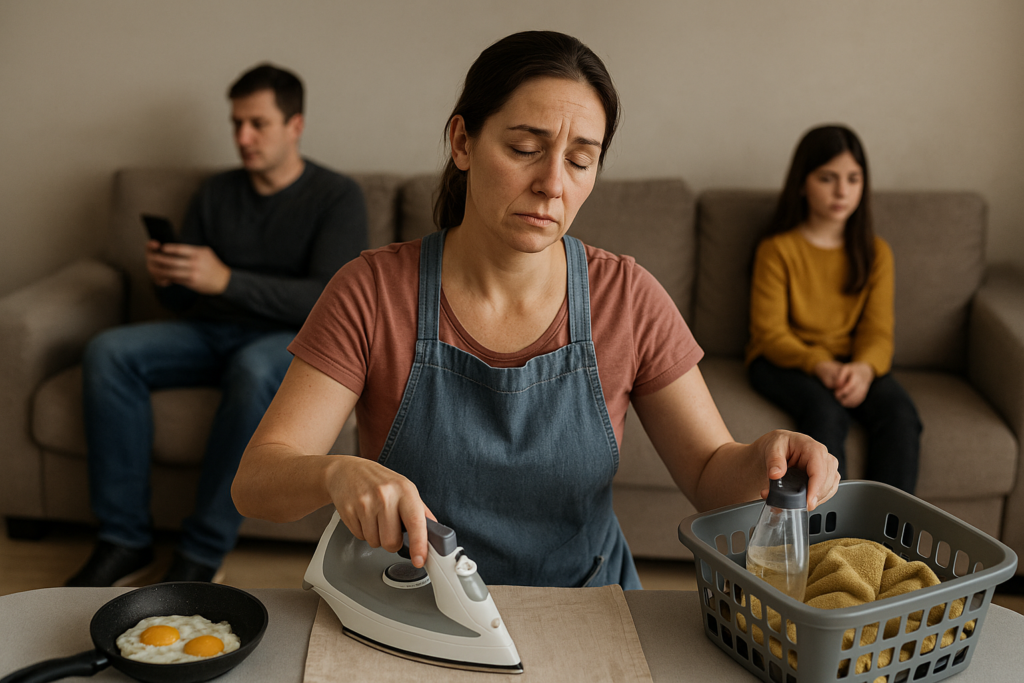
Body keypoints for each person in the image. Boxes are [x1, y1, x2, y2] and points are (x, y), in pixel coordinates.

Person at [231, 32, 840, 590]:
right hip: (414, 606)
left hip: (587, 605)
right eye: (525, 148)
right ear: (463, 142)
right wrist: (335, 473)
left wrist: (767, 459)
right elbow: (257, 482)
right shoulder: (371, 291)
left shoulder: (627, 299)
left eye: (580, 160)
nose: (553, 182)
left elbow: (710, 474)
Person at [66, 63, 369, 587]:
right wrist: (168, 277)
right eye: (236, 124)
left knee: (253, 368)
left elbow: (329, 297)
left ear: (294, 125)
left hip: (290, 340)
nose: (243, 137)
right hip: (209, 333)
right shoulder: (215, 193)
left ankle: (202, 551)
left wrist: (226, 280)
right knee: (108, 351)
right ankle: (124, 540)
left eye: (257, 123)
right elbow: (186, 299)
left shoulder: (337, 197)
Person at [746, 125, 921, 494]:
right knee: (825, 414)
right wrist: (819, 365)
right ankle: (825, 535)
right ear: (802, 183)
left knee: (901, 417)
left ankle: (886, 539)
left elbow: (877, 333)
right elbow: (770, 333)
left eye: (853, 179)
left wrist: (863, 368)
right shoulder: (777, 250)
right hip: (783, 360)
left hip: (850, 361)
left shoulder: (876, 253)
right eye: (828, 178)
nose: (842, 190)